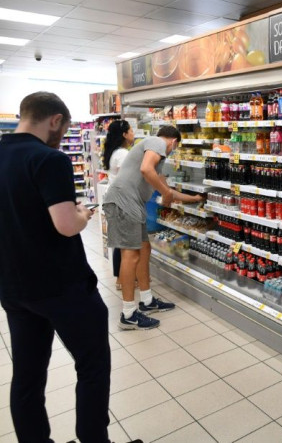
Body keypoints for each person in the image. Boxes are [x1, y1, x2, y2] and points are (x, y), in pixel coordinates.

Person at [0, 92, 112, 442]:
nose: (62, 137)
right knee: (93, 366)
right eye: (63, 129)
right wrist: (82, 213)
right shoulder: (49, 159)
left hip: (14, 288)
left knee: (27, 377)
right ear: (55, 120)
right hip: (62, 287)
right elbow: (66, 225)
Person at [104, 125, 203, 330]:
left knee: (144, 249)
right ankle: (128, 314)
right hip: (123, 202)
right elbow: (146, 170)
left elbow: (167, 190)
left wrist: (194, 199)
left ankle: (147, 301)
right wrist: (166, 193)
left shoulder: (155, 160)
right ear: (174, 142)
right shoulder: (157, 142)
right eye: (174, 148)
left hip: (133, 204)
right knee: (130, 255)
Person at [102, 120, 135, 290]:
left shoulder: (113, 151)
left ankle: (121, 278)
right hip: (121, 200)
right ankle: (122, 280)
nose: (133, 133)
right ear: (124, 134)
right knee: (124, 243)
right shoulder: (122, 153)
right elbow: (126, 178)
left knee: (120, 241)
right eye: (131, 130)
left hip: (113, 198)